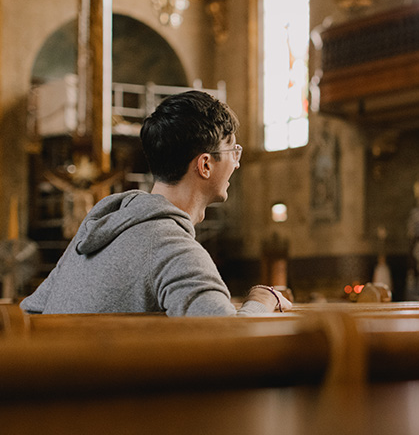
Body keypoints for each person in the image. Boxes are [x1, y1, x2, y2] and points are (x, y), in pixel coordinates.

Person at [21, 91, 291, 316]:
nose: (237, 162)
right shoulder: (174, 249)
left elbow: (30, 311)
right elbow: (231, 343)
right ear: (205, 164)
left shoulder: (97, 228)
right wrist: (263, 298)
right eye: (233, 150)